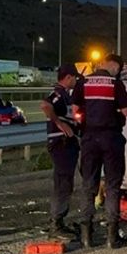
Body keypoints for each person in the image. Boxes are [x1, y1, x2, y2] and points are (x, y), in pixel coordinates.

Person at [71, 52, 127, 248]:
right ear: (114, 66)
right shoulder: (115, 84)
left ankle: (87, 236)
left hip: (89, 138)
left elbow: (75, 110)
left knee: (89, 186)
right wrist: (113, 110)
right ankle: (112, 237)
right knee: (113, 186)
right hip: (111, 138)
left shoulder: (84, 82)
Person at [39, 63, 81, 238]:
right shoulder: (59, 94)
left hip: (67, 143)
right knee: (63, 183)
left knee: (65, 182)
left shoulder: (65, 95)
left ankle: (59, 220)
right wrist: (59, 123)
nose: (76, 81)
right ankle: (56, 223)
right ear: (69, 77)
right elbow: (45, 106)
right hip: (61, 143)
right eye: (75, 78)